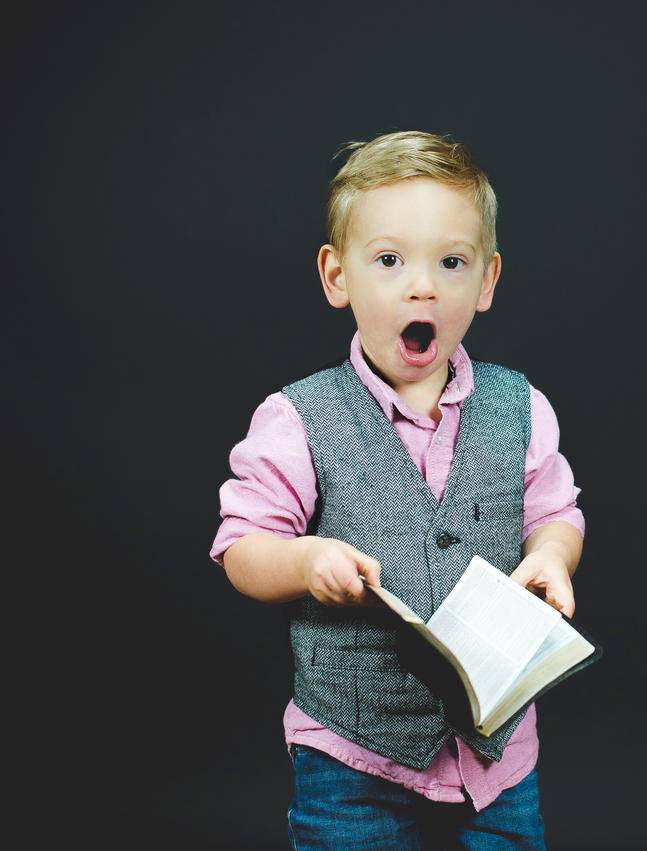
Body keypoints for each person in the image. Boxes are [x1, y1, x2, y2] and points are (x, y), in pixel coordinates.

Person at [209, 130, 585, 849]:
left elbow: (555, 510)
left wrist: (553, 555)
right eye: (389, 260)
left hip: (495, 755)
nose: (423, 285)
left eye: (451, 261)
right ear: (336, 276)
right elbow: (240, 547)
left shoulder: (521, 406)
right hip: (352, 752)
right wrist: (303, 560)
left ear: (486, 281)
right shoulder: (298, 418)